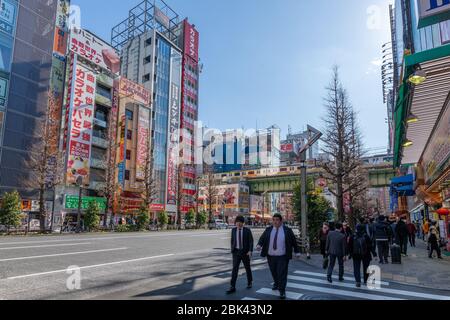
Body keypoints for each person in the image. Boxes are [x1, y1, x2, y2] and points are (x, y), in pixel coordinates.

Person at [256, 214, 301, 300]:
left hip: (282, 256)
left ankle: (282, 290)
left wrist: (297, 251)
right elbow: (262, 238)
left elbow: (293, 241)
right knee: (274, 272)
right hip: (271, 256)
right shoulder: (268, 230)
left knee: (282, 274)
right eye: (274, 220)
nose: (275, 222)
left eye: (277, 220)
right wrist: (259, 245)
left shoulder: (287, 230)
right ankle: (276, 283)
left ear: (281, 221)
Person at [227, 216, 254, 294]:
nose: (238, 224)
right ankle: (232, 286)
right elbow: (232, 240)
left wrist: (250, 250)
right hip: (236, 252)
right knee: (234, 269)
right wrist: (232, 249)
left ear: (243, 223)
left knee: (247, 268)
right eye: (237, 222)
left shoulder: (247, 230)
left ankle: (250, 282)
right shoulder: (233, 230)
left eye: (240, 222)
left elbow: (251, 241)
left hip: (245, 252)